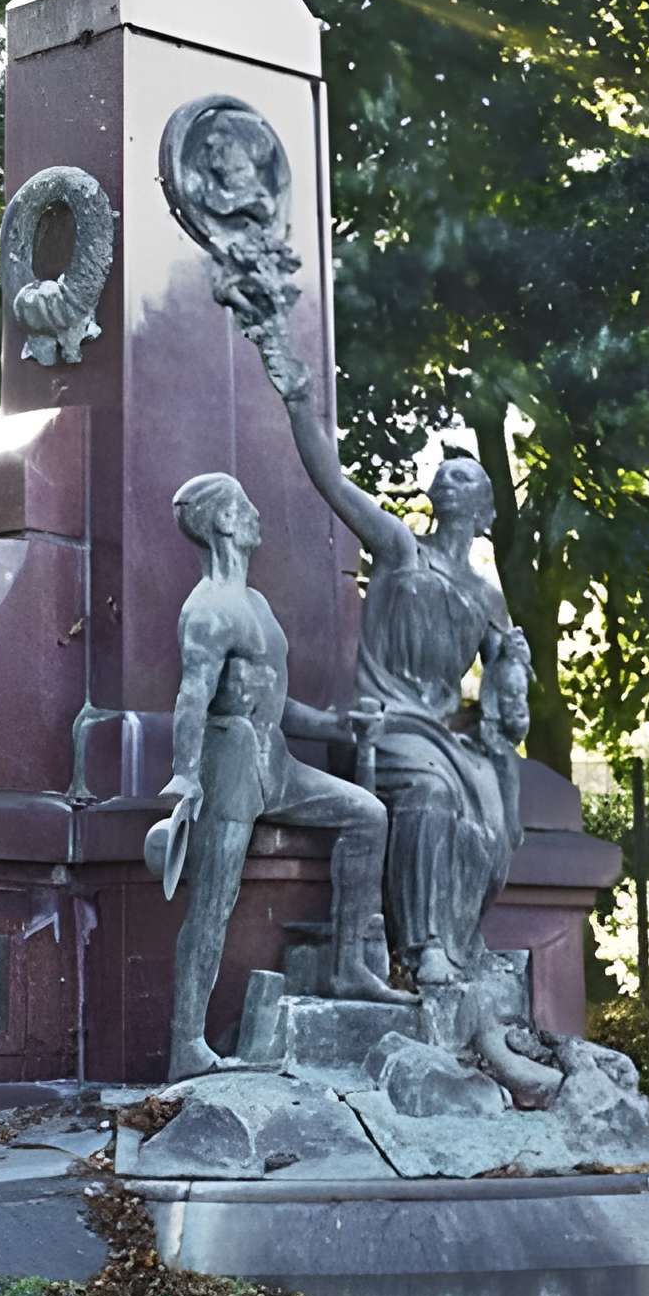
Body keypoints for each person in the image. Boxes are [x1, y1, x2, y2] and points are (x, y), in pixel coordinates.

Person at [260, 345, 532, 986]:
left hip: (449, 734)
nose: (449, 477)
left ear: (484, 507)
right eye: (447, 472)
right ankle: (424, 945)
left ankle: (458, 939)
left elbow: (505, 671)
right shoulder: (399, 548)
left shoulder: (487, 593)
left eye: (466, 476)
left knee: (488, 820)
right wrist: (301, 403)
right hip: (388, 728)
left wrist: (513, 674)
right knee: (433, 794)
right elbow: (331, 480)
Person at [153, 470, 414, 1079]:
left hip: (276, 760)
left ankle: (350, 965)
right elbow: (192, 698)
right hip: (231, 763)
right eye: (244, 506)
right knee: (214, 902)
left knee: (368, 815)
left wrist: (337, 727)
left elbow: (272, 702)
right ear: (222, 521)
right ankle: (186, 1045)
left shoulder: (259, 606)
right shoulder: (209, 610)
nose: (256, 514)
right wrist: (186, 776)